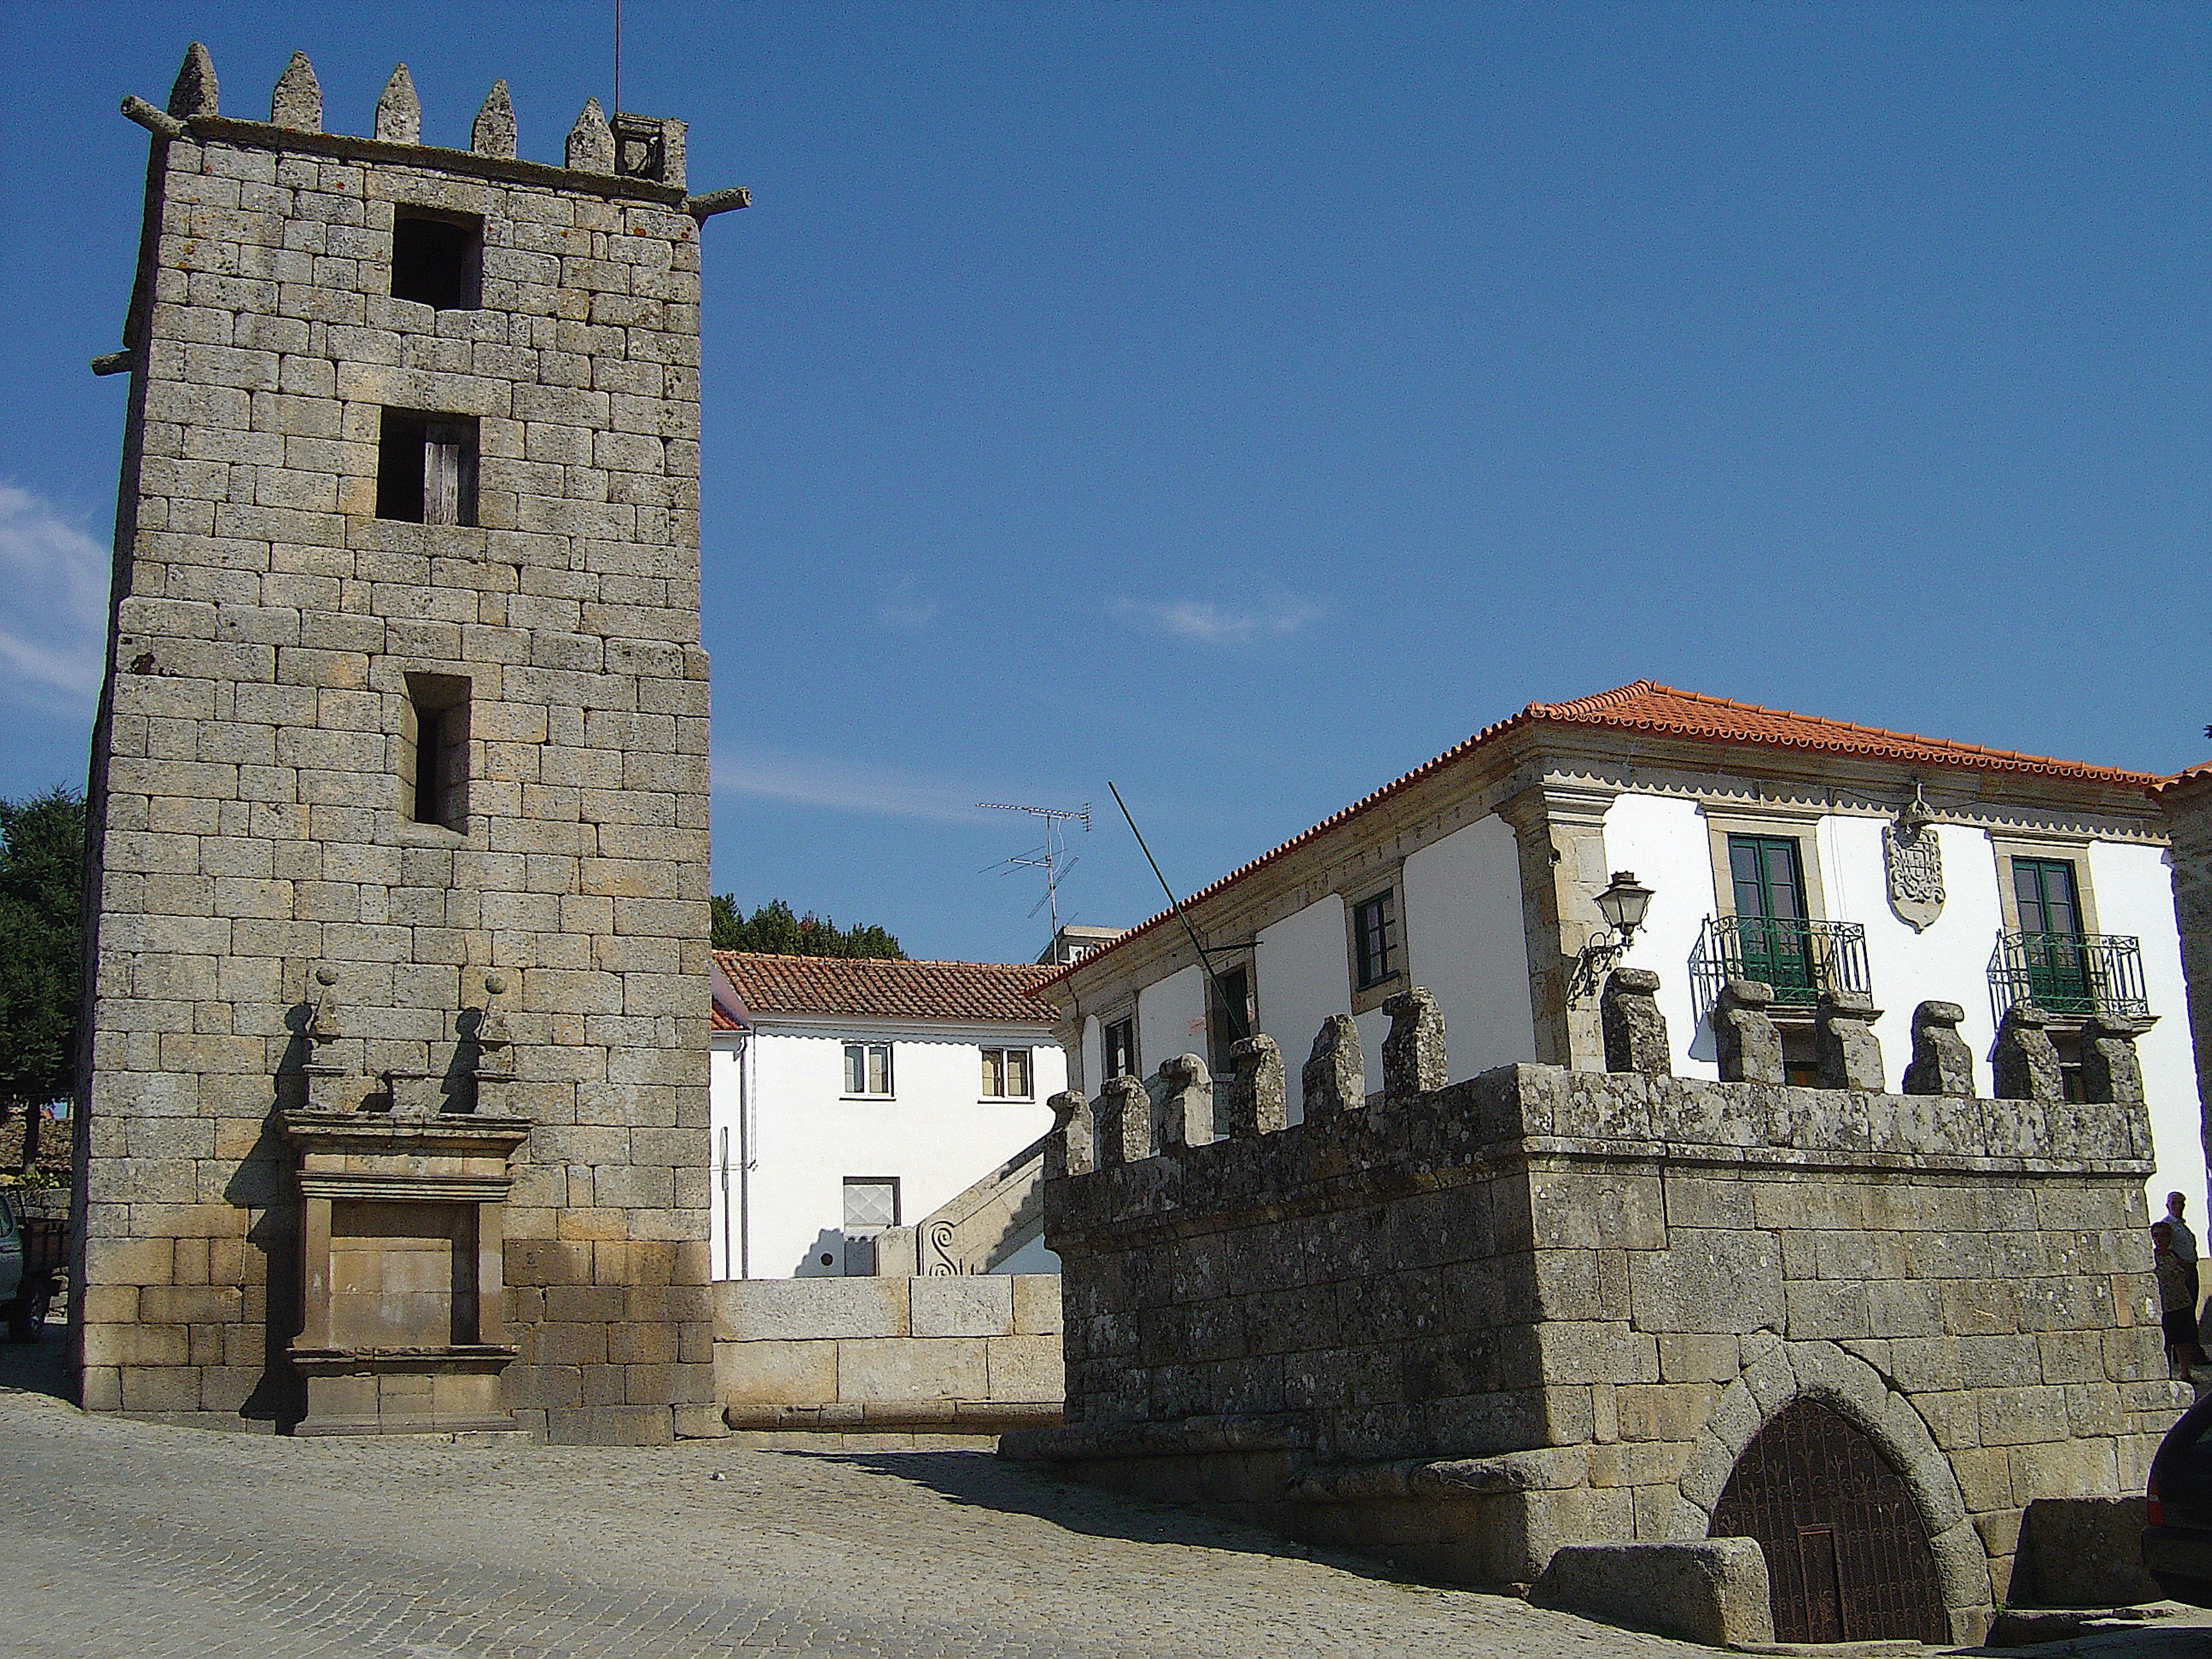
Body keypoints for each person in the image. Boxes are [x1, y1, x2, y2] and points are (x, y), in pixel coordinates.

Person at [2153, 1218, 2209, 1376]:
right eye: (2156, 1236)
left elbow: (2188, 1275)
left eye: (2163, 1236)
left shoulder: (2175, 1257)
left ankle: (2185, 1373)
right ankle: (2167, 1373)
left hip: (2181, 1303)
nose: (2160, 1239)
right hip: (2164, 1306)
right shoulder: (2152, 1260)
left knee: (2184, 1341)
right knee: (2166, 1343)